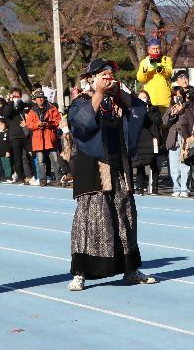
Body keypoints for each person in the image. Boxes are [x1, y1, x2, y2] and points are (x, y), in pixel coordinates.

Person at [67, 58, 156, 291]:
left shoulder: (119, 101)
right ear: (90, 78)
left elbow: (141, 111)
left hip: (119, 168)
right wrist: (98, 92)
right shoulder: (80, 102)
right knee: (91, 218)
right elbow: (82, 125)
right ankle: (80, 272)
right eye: (102, 74)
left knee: (124, 217)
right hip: (93, 169)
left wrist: (118, 93)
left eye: (110, 74)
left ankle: (130, 268)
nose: (108, 78)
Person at [26, 89, 62, 186]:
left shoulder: (52, 108)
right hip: (38, 139)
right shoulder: (32, 111)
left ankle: (59, 179)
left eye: (41, 98)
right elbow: (29, 124)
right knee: (40, 161)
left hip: (50, 137)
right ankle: (42, 180)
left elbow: (58, 120)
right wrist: (37, 124)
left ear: (44, 98)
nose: (40, 99)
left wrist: (48, 123)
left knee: (55, 160)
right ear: (35, 100)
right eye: (38, 98)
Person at [132, 90, 162, 195]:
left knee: (155, 164)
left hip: (153, 139)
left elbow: (158, 121)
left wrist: (148, 110)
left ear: (148, 98)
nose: (143, 99)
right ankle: (140, 187)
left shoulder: (154, 109)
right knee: (140, 163)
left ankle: (154, 188)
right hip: (140, 140)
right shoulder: (135, 110)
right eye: (140, 97)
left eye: (144, 97)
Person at [163, 87, 191, 197]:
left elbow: (190, 120)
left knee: (185, 164)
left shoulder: (188, 106)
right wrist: (172, 114)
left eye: (179, 96)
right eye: (175, 96)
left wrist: (182, 111)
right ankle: (176, 187)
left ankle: (185, 188)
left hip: (184, 138)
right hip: (173, 139)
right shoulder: (171, 107)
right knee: (174, 166)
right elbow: (165, 121)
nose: (177, 98)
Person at [1, 88, 34, 183]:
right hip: (15, 136)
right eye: (14, 96)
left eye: (18, 96)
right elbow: (6, 114)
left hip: (26, 135)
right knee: (17, 158)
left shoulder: (25, 106)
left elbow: (31, 115)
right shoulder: (7, 106)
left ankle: (33, 175)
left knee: (30, 156)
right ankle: (21, 177)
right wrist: (11, 102)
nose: (16, 98)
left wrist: (27, 122)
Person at [136, 38, 173, 112]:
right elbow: (140, 79)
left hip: (164, 97)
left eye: (158, 48)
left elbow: (169, 73)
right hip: (150, 97)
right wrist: (145, 71)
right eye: (153, 49)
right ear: (148, 50)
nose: (156, 50)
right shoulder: (144, 62)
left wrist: (160, 68)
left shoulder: (166, 59)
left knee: (165, 120)